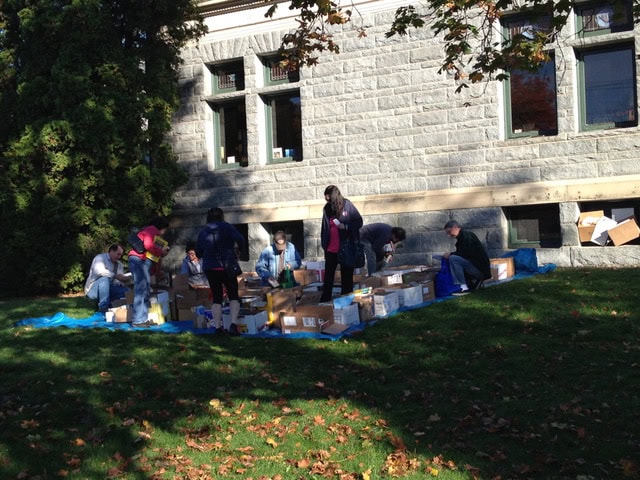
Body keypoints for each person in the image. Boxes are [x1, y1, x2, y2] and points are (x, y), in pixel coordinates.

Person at [196, 207, 246, 335]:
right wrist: (239, 250)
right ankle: (233, 324)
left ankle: (218, 327)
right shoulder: (227, 227)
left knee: (216, 297)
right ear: (221, 216)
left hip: (210, 267)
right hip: (226, 265)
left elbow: (198, 252)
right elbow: (240, 239)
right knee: (233, 295)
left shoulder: (203, 231)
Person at [319, 185, 363, 303]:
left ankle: (346, 299)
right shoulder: (327, 208)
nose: (327, 200)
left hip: (346, 246)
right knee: (329, 275)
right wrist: (324, 244)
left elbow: (359, 221)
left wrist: (346, 227)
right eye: (326, 198)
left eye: (329, 197)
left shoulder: (347, 205)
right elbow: (324, 227)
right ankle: (325, 299)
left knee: (346, 275)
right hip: (331, 248)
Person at [128, 216, 171, 327]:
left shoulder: (149, 231)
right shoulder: (151, 231)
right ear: (162, 227)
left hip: (140, 261)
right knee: (141, 289)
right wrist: (161, 251)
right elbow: (148, 245)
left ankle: (143, 318)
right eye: (165, 230)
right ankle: (138, 320)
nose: (163, 233)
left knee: (145, 289)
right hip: (139, 261)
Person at [443, 220, 491, 296]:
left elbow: (466, 253)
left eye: (449, 232)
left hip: (480, 270)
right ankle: (471, 283)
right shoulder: (464, 236)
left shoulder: (467, 236)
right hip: (479, 268)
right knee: (454, 258)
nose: (448, 235)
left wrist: (450, 254)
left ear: (455, 227)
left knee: (453, 259)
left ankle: (463, 288)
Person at [84, 244, 130, 312]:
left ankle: (119, 307)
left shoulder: (119, 265)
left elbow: (117, 282)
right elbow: (99, 271)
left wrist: (124, 280)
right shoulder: (100, 258)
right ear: (111, 251)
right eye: (118, 254)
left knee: (127, 290)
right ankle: (103, 308)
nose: (119, 257)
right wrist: (115, 275)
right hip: (93, 291)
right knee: (104, 279)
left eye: (121, 255)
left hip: (110, 289)